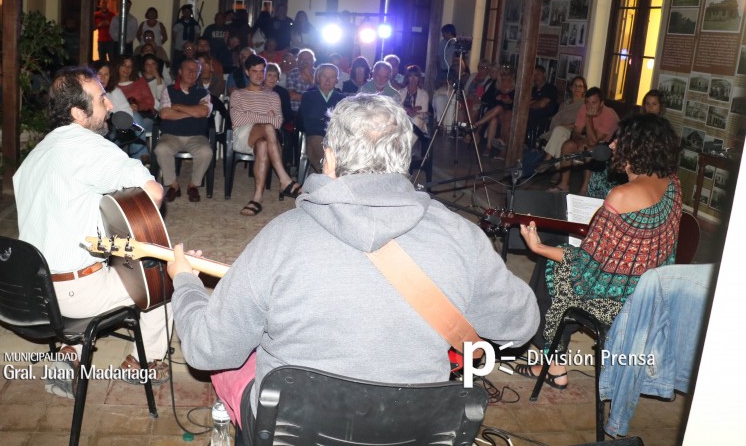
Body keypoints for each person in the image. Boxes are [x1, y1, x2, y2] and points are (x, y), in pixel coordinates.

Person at [166, 94, 539, 433]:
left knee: (233, 360)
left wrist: (186, 284)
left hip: (297, 430)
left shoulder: (282, 237)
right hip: (413, 429)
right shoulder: (461, 235)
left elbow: (206, 349)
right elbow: (520, 326)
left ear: (328, 158)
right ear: (404, 158)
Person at [13, 66, 172, 398]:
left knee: (101, 254)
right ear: (78, 113)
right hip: (75, 296)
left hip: (33, 293)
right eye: (102, 99)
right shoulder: (89, 148)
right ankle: (146, 362)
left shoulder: (35, 155)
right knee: (162, 273)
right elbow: (154, 193)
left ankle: (69, 349)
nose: (111, 106)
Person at [517, 114, 682, 390]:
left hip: (618, 302)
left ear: (637, 148)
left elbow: (586, 266)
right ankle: (555, 356)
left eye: (620, 140)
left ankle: (552, 364)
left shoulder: (621, 196)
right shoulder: (673, 184)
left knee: (551, 268)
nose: (613, 145)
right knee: (562, 265)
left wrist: (538, 247)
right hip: (651, 293)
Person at [229, 54, 301, 216]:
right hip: (243, 136)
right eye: (254, 71)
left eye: (262, 71)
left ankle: (257, 198)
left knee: (263, 144)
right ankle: (284, 179)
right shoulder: (238, 94)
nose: (259, 75)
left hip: (266, 139)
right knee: (268, 126)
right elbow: (238, 119)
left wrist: (251, 114)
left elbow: (278, 122)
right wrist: (266, 117)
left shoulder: (273, 96)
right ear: (247, 72)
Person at [155, 58, 213, 204]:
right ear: (180, 71)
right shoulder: (168, 90)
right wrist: (193, 111)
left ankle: (193, 184)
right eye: (188, 69)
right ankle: (173, 185)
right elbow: (165, 114)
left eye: (196, 70)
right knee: (161, 149)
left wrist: (179, 107)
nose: (192, 73)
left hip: (196, 136)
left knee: (206, 152)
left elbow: (203, 112)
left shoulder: (203, 92)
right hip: (171, 135)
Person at [551, 87, 619, 193]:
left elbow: (594, 141)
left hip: (608, 146)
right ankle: (564, 184)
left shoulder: (609, 115)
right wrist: (580, 142)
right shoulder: (583, 108)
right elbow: (576, 132)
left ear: (601, 103)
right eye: (587, 102)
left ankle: (584, 189)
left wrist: (588, 118)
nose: (590, 106)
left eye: (594, 102)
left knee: (589, 151)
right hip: (589, 140)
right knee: (567, 146)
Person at [298, 64, 345, 173]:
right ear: (318, 78)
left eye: (332, 77)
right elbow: (309, 122)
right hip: (315, 136)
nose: (328, 80)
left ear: (337, 80)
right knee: (318, 144)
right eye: (324, 76)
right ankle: (331, 174)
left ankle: (330, 174)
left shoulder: (342, 99)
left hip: (336, 138)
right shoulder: (308, 96)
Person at [542, 76, 587, 162]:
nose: (577, 88)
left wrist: (565, 125)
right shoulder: (564, 104)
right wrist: (560, 126)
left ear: (584, 89)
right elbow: (557, 119)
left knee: (559, 131)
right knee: (561, 137)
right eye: (575, 85)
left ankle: (546, 161)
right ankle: (559, 167)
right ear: (571, 88)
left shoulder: (584, 105)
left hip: (574, 131)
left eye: (580, 86)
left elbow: (583, 123)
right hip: (559, 131)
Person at [398, 65, 429, 134]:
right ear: (407, 78)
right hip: (403, 119)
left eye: (415, 76)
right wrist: (409, 111)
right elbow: (398, 108)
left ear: (419, 78)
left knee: (415, 120)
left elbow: (425, 113)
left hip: (417, 122)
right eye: (410, 76)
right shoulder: (400, 92)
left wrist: (413, 112)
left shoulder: (423, 94)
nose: (413, 79)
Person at [171, 5, 200, 74]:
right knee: (177, 66)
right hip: (179, 48)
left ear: (191, 13)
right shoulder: (178, 23)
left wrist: (193, 45)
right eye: (185, 12)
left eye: (188, 12)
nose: (186, 13)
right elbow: (174, 35)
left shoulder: (195, 24)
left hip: (190, 50)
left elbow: (197, 35)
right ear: (183, 13)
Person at [94, 0, 116, 64]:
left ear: (108, 6)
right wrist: (99, 25)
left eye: (105, 5)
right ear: (100, 5)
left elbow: (117, 27)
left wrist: (110, 24)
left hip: (111, 40)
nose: (104, 6)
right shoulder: (96, 15)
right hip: (101, 40)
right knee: (101, 60)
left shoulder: (113, 15)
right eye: (102, 5)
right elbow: (91, 27)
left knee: (112, 59)